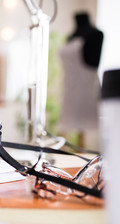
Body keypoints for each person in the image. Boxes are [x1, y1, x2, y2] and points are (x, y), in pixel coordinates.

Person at [59, 12, 103, 147]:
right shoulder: (70, 37)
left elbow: (94, 63)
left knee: (83, 134)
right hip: (68, 90)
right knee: (64, 130)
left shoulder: (96, 35)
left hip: (86, 91)